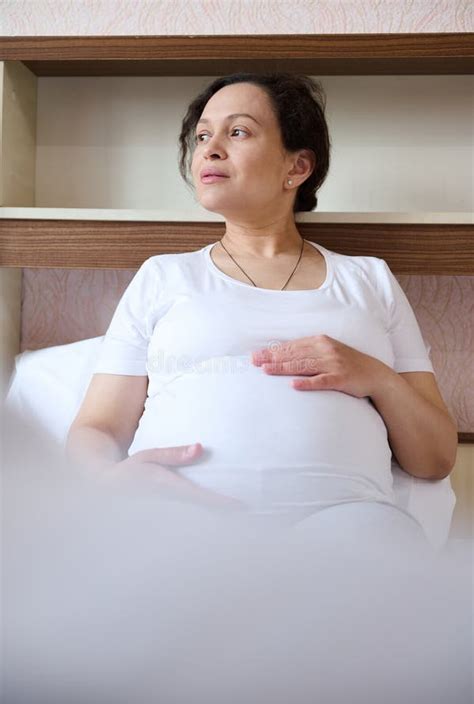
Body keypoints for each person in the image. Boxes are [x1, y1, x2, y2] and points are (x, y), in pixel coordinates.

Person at [65, 72, 458, 550]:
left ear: (297, 166)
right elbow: (97, 427)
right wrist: (110, 480)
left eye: (238, 131)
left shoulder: (369, 280)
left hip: (348, 529)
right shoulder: (163, 276)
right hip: (179, 522)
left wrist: (374, 376)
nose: (208, 149)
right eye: (203, 135)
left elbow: (435, 458)